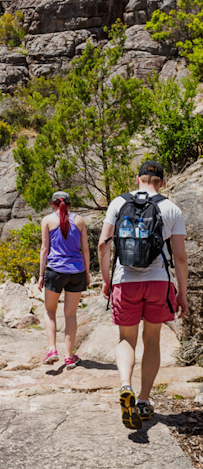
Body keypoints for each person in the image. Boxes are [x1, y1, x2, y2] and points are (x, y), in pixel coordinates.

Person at [98, 160, 188, 430]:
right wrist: (181, 292)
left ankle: (125, 384)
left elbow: (103, 245)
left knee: (127, 338)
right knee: (152, 339)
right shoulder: (171, 208)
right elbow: (180, 257)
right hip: (159, 282)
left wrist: (106, 280)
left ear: (137, 180)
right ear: (162, 182)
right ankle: (144, 400)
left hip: (125, 281)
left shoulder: (118, 203)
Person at [38, 191, 90, 369]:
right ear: (69, 204)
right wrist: (88, 273)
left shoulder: (47, 220)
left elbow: (45, 249)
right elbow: (85, 250)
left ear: (53, 204)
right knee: (70, 314)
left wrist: (40, 275)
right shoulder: (81, 221)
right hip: (77, 271)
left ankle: (52, 350)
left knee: (49, 311)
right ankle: (69, 357)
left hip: (55, 271)